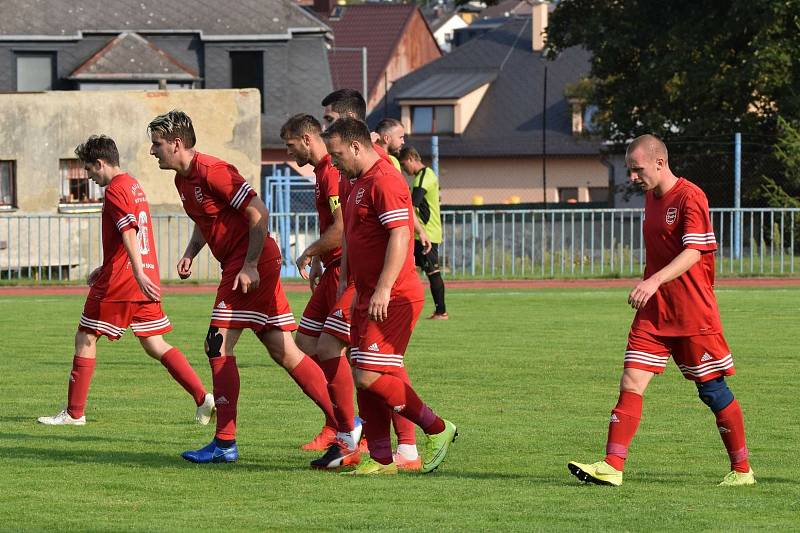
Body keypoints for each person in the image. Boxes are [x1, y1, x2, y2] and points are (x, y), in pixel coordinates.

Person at [148, 110, 337, 463]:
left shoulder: (213, 171)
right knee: (285, 351)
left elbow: (258, 213)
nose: (152, 152)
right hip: (245, 262)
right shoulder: (183, 180)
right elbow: (206, 221)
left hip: (251, 262)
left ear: (176, 144)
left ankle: (225, 443)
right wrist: (190, 252)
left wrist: (250, 264)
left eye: (156, 145)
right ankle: (347, 423)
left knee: (216, 345)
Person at [568, 134, 755, 487]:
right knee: (631, 381)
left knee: (711, 391)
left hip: (692, 314)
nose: (632, 177)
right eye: (629, 170)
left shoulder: (690, 196)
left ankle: (742, 470)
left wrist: (653, 281)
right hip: (654, 314)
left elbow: (694, 252)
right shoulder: (650, 199)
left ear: (659, 162)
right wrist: (653, 288)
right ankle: (612, 466)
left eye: (637, 169)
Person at [38, 135, 214, 427]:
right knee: (154, 343)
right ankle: (202, 397)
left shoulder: (116, 189)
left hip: (124, 280)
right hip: (141, 275)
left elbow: (128, 230)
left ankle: (74, 413)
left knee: (85, 337)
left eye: (89, 170)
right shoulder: (133, 185)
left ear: (100, 163)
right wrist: (112, 267)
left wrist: (133, 272)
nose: (89, 177)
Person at [321, 117, 457, 475]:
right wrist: (345, 281)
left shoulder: (385, 178)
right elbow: (351, 236)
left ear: (355, 146)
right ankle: (381, 458)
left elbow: (400, 235)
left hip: (394, 294)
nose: (333, 162)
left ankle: (438, 428)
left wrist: (382, 287)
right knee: (361, 370)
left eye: (336, 154)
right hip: (363, 292)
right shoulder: (355, 182)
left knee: (368, 375)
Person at [281, 113, 363, 468]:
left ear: (307, 139)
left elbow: (342, 226)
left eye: (290, 145)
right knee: (306, 344)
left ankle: (350, 425)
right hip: (331, 268)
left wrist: (310, 250)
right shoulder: (320, 172)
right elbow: (332, 224)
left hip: (345, 272)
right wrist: (318, 258)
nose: (288, 152)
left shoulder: (332, 171)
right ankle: (340, 420)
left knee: (355, 357)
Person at [398, 145, 447, 320]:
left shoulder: (423, 178)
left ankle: (441, 311)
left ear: (411, 158)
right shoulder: (424, 176)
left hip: (426, 234)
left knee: (432, 272)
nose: (404, 169)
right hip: (424, 233)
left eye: (404, 165)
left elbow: (412, 206)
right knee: (407, 268)